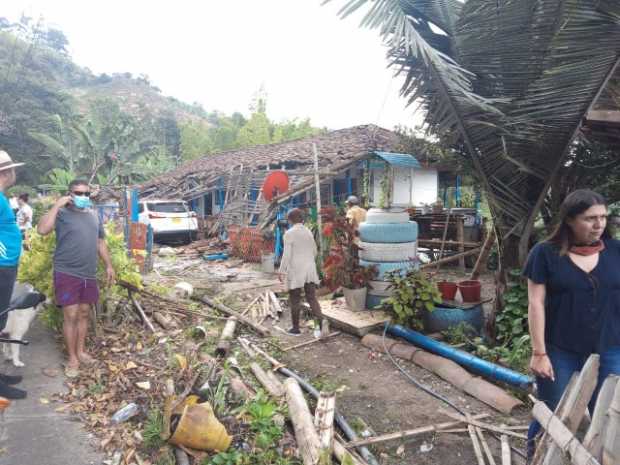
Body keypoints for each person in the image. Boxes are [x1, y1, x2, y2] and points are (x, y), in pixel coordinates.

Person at [523, 189, 620, 458]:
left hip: (610, 350)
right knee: (553, 413)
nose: (599, 224)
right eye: (590, 218)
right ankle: (537, 458)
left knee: (609, 416)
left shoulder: (616, 251)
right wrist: (539, 352)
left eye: (603, 217)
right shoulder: (545, 253)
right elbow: (536, 303)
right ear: (570, 220)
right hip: (559, 350)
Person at [38, 179, 115, 378]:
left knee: (83, 313)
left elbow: (100, 242)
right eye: (78, 193)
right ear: (69, 194)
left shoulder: (93, 215)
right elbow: (42, 230)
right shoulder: (62, 214)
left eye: (86, 194)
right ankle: (72, 357)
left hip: (88, 273)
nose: (83, 197)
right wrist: (56, 205)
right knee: (70, 315)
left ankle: (81, 352)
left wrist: (108, 265)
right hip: (66, 272)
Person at [0, 150, 27, 399]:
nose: (14, 173)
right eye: (12, 169)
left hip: (6, 265)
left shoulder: (2, 197)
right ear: (6, 172)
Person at [278, 208, 323, 336]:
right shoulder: (308, 231)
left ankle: (296, 329)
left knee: (295, 299)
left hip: (296, 269)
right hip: (310, 268)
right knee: (312, 298)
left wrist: (281, 271)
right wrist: (308, 262)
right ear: (301, 218)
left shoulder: (289, 234)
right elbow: (315, 251)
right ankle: (321, 326)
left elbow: (286, 256)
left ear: (291, 220)